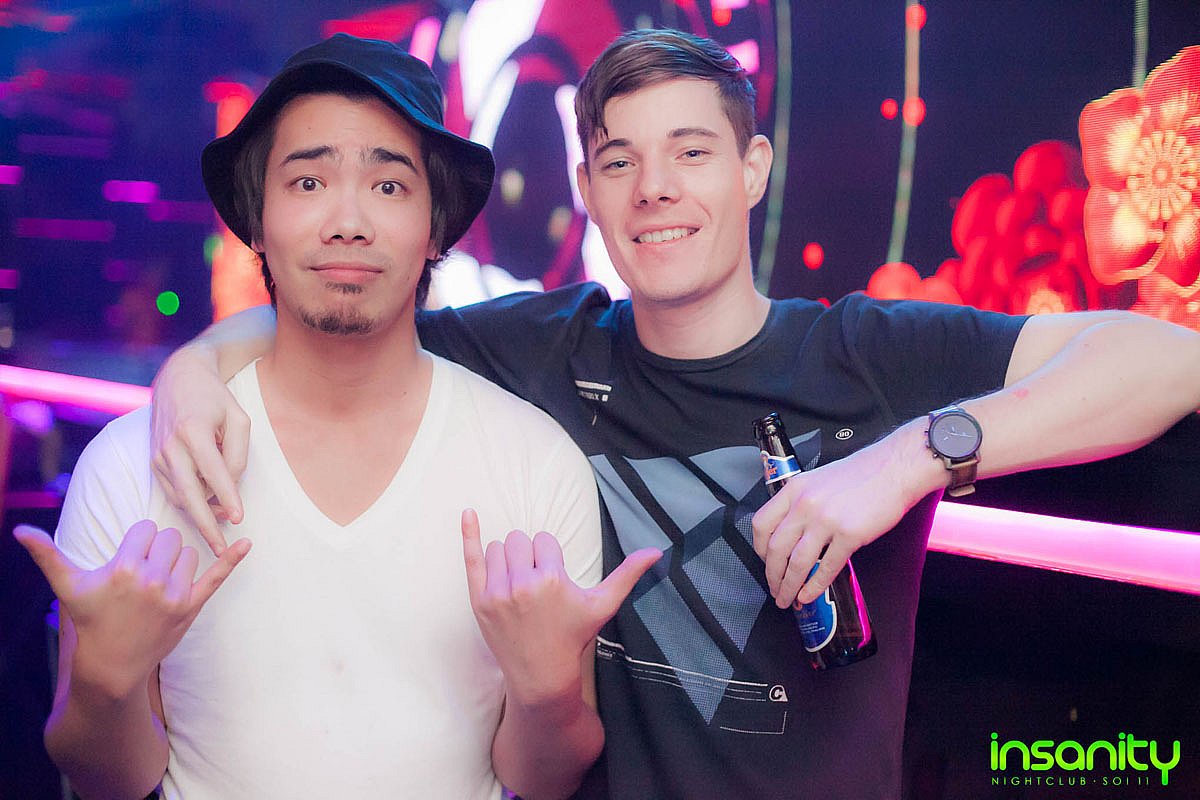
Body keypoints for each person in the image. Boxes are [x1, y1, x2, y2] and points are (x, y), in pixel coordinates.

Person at [149, 28, 1200, 800]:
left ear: (753, 170)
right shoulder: (549, 343)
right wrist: (190, 374)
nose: (654, 188)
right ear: (589, 188)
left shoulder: (865, 354)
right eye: (620, 161)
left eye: (691, 152)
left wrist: (906, 461)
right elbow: (345, 310)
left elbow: (1168, 359)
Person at [14, 34, 660, 800]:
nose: (348, 221)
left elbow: (543, 780)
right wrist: (106, 685)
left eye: (388, 186)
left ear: (435, 228)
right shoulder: (137, 464)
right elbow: (106, 780)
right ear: (256, 222)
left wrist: (547, 693)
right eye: (309, 181)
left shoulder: (534, 463)